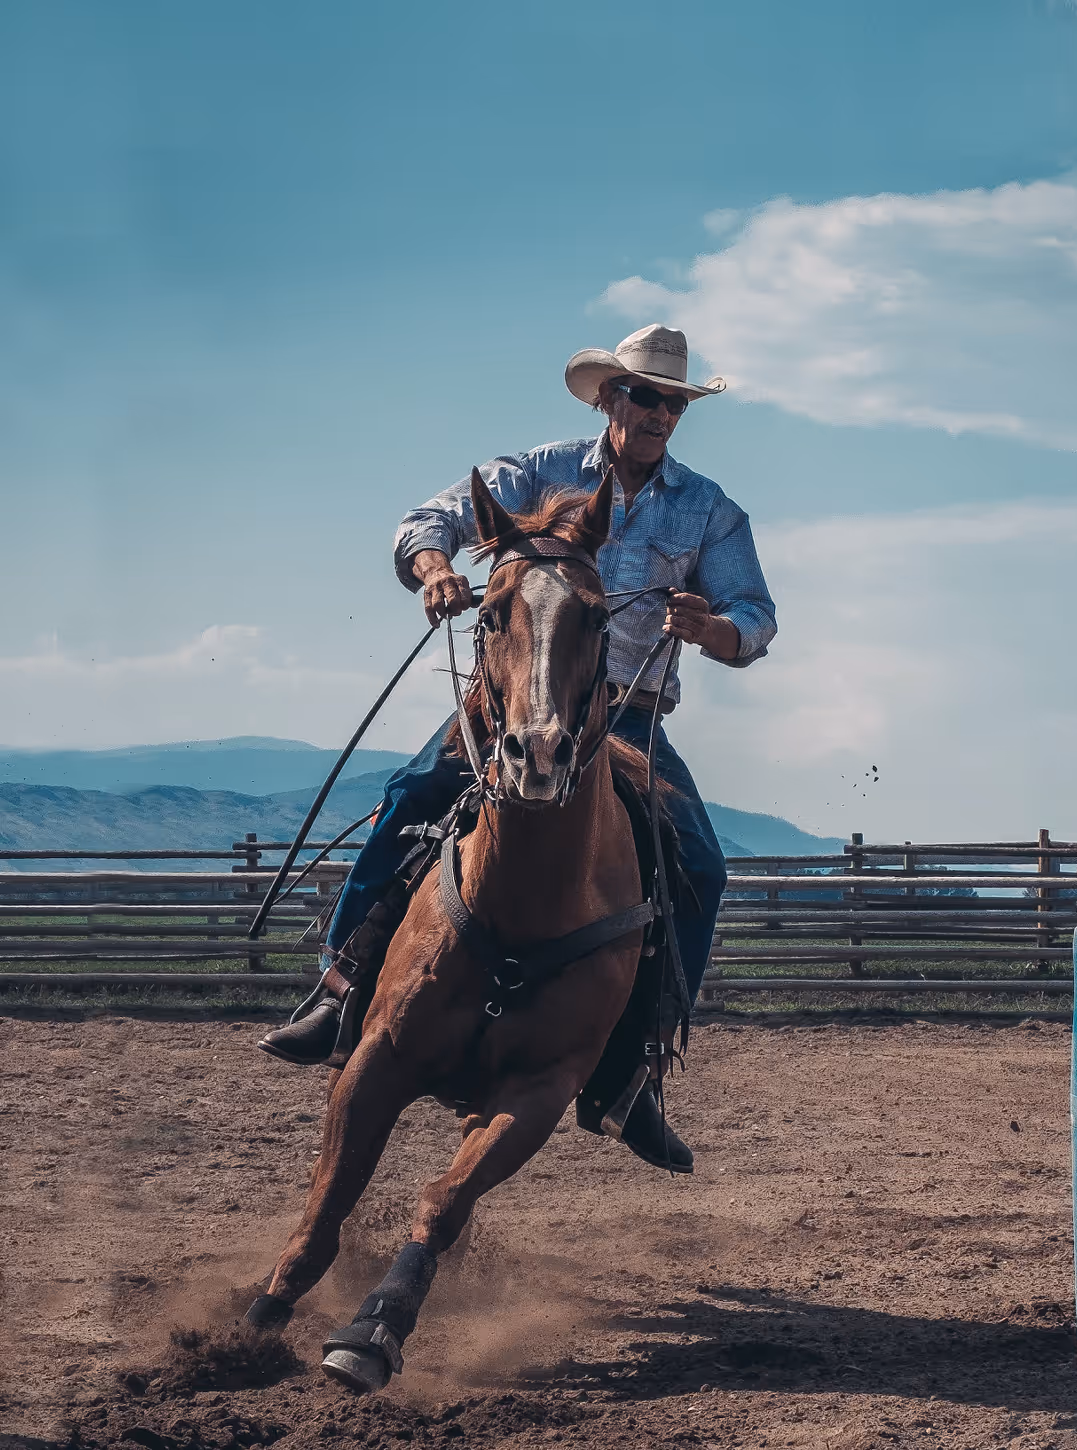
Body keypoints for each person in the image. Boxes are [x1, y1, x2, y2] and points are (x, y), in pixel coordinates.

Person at [259, 324, 777, 1172]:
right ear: (611, 397)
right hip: (504, 705)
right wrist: (434, 567)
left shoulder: (711, 511)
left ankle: (633, 1072)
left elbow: (755, 617)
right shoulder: (536, 472)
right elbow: (428, 519)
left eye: (674, 403)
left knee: (698, 866)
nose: (660, 415)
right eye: (646, 397)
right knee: (413, 795)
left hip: (625, 715)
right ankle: (341, 986)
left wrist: (713, 629)